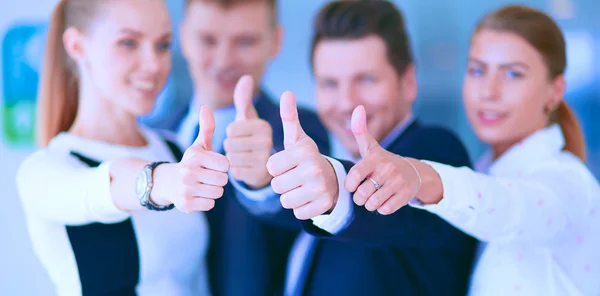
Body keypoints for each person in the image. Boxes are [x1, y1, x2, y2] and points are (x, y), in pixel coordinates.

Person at [349, 5, 600, 295]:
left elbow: (512, 206)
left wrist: (419, 175)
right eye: (477, 70)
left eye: (513, 74)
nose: (488, 91)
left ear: (555, 91)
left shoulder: (568, 182)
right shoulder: (483, 171)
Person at [236, 1, 477, 295]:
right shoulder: (325, 157)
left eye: (366, 79)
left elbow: (386, 212)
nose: (347, 102)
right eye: (329, 84)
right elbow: (292, 212)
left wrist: (335, 187)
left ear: (408, 82)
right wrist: (261, 178)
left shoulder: (436, 152)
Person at [15, 0, 231, 295]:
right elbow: (98, 188)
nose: (153, 64)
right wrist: (158, 182)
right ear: (77, 46)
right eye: (128, 43)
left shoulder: (173, 149)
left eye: (163, 45)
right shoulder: (45, 170)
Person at [177, 1, 330, 295]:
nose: (224, 60)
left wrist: (263, 183)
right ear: (184, 38)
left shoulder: (301, 134)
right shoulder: (154, 134)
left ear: (275, 42)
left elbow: (312, 215)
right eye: (208, 40)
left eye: (245, 41)